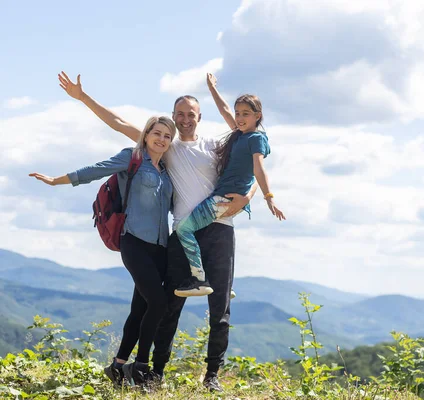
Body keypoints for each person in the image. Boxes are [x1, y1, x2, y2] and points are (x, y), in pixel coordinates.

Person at [57, 71, 254, 392]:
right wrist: (83, 98)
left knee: (219, 309)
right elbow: (119, 123)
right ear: (174, 118)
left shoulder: (217, 147)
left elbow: (251, 166)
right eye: (180, 115)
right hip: (182, 234)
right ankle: (154, 372)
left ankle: (212, 377)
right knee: (169, 306)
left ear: (200, 117)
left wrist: (249, 196)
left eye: (191, 114)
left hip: (220, 230)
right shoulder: (168, 146)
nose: (186, 119)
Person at [29, 115, 176, 387]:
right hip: (133, 242)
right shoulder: (131, 158)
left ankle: (118, 366)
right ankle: (140, 367)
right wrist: (55, 180)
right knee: (158, 303)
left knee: (140, 308)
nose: (162, 139)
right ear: (146, 135)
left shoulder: (167, 169)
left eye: (168, 136)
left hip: (160, 248)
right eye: (157, 133)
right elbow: (96, 169)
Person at [174, 73, 285, 297]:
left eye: (246, 114)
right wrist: (212, 89)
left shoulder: (255, 138)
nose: (240, 118)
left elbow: (259, 168)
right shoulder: (240, 134)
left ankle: (199, 279)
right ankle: (223, 283)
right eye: (238, 113)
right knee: (203, 232)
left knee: (183, 229)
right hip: (223, 196)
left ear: (258, 116)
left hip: (224, 198)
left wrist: (269, 196)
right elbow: (224, 110)